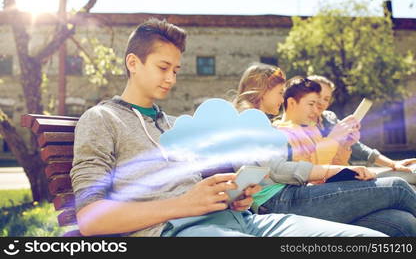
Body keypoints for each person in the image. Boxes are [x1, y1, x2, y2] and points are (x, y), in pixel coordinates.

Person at [69, 19, 383, 237]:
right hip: (182, 231)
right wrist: (184, 205)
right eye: (163, 68)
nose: (171, 79)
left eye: (176, 70)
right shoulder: (101, 119)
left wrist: (233, 196)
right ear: (133, 63)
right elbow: (90, 219)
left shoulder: (173, 124)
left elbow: (203, 187)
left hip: (241, 220)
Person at [232, 63, 416, 236]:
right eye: (279, 92)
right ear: (262, 91)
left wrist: (343, 147)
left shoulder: (258, 122)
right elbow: (278, 170)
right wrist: (335, 168)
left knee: (401, 222)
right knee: (398, 187)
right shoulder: (253, 121)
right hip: (281, 201)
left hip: (289, 195)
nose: (282, 99)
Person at [308, 74, 416, 185]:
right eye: (318, 96)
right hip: (334, 183)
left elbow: (358, 147)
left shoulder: (329, 117)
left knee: (414, 170)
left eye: (326, 99)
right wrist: (335, 138)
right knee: (399, 185)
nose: (321, 102)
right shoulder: (300, 127)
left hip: (350, 177)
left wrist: (393, 164)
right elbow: (312, 170)